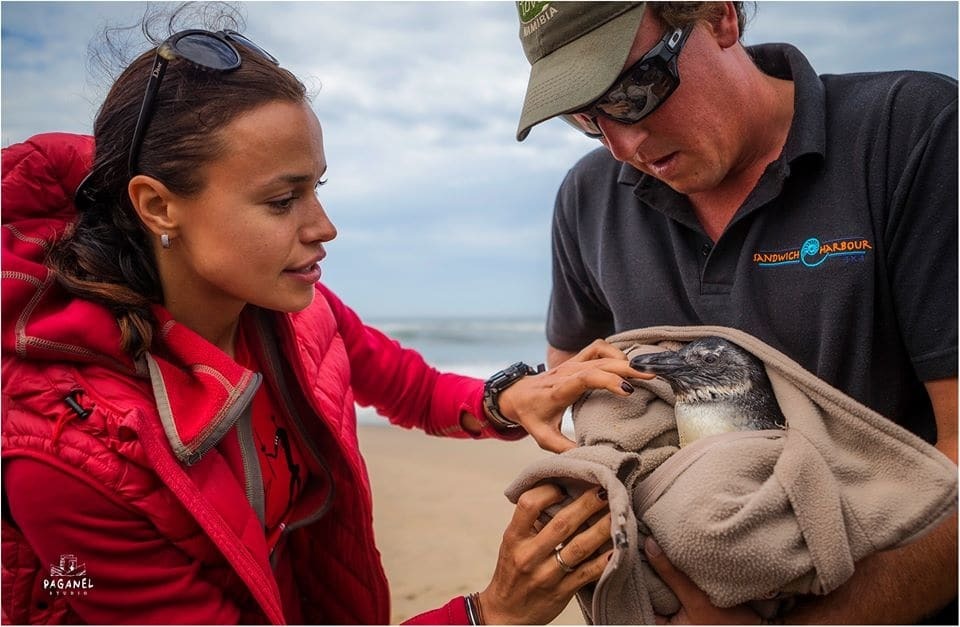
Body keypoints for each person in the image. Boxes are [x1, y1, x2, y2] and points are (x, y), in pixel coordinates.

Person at [0, 10, 652, 625]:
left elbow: (407, 385)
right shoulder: (69, 459)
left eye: (318, 187)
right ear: (158, 206)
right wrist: (493, 611)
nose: (324, 227)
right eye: (284, 199)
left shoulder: (281, 304)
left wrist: (509, 396)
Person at [512, 1, 957, 624]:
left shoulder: (913, 131)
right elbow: (579, 417)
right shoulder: (588, 201)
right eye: (584, 117)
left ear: (720, 18)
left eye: (633, 92)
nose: (621, 146)